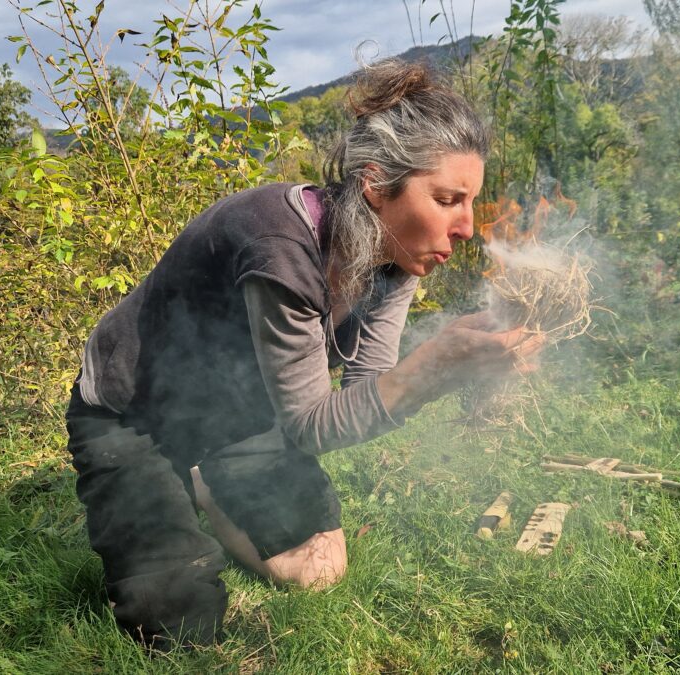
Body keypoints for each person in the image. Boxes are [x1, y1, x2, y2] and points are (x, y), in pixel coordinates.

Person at [64, 59, 543, 649]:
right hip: (134, 413)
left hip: (238, 413)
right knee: (179, 629)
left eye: (470, 201)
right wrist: (438, 364)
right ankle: (163, 488)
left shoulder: (392, 261)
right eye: (448, 199)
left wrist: (458, 368)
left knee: (319, 570)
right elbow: (313, 426)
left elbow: (369, 385)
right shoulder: (278, 245)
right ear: (376, 184)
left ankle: (208, 483)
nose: (467, 226)